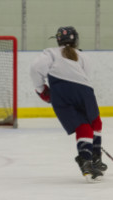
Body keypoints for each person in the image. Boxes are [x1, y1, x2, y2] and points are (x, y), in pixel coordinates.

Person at [30, 26, 107, 182]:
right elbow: (85, 76)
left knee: (81, 126)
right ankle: (96, 158)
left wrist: (41, 89)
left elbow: (35, 68)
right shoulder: (81, 55)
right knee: (94, 122)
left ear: (58, 40)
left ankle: (85, 161)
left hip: (59, 94)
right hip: (83, 91)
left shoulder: (50, 53)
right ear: (76, 40)